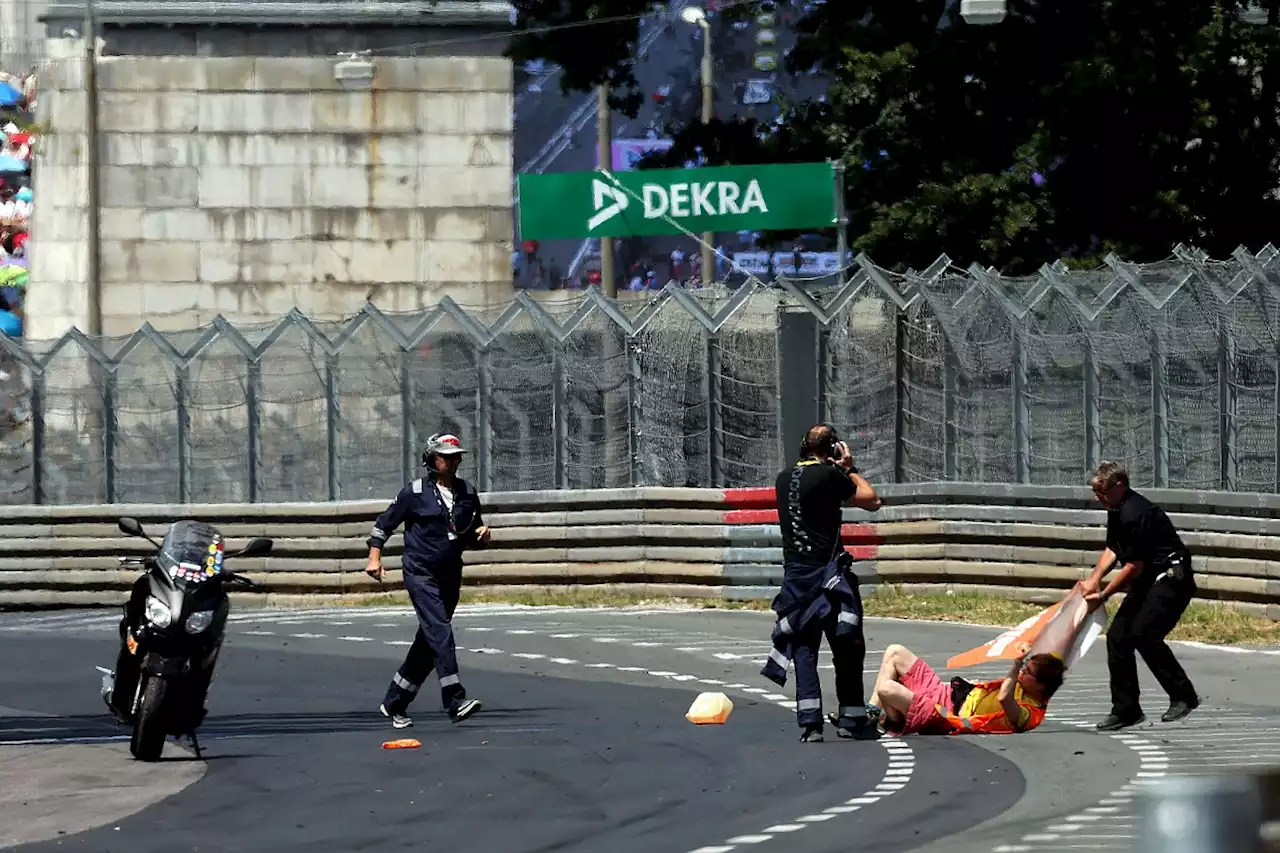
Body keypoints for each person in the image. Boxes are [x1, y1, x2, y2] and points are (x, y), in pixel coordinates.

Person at [760, 423, 883, 743]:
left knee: (804, 648)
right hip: (829, 578)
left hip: (796, 581)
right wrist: (849, 467)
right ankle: (852, 719)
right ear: (831, 449)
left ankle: (811, 724)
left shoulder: (783, 478)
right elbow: (872, 500)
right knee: (848, 644)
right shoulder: (831, 476)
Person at [366, 433, 491, 728]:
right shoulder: (414, 492)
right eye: (446, 456)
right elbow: (383, 525)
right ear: (431, 459)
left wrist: (483, 537)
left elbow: (469, 535)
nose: (453, 461)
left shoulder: (468, 493)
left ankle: (395, 700)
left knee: (429, 640)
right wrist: (374, 557)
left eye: (457, 456)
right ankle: (454, 699)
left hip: (450, 574)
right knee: (441, 632)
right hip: (420, 571)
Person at [1075, 460, 1200, 731]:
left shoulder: (1134, 511)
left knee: (1144, 634)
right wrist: (1093, 580)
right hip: (1147, 578)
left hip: (1171, 578)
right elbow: (1114, 548)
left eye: (1102, 492)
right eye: (1095, 492)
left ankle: (1184, 696)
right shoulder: (1116, 507)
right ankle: (1126, 709)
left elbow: (1134, 566)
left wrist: (1104, 595)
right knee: (1118, 637)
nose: (1098, 498)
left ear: (1119, 486)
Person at [866, 643, 1067, 735]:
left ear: (1041, 685)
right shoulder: (1028, 683)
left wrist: (1015, 664)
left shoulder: (1028, 714)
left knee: (886, 688)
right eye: (1023, 668)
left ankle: (894, 720)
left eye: (1027, 671)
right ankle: (871, 713)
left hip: (945, 714)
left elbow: (1005, 698)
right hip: (946, 693)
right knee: (895, 651)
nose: (1022, 672)